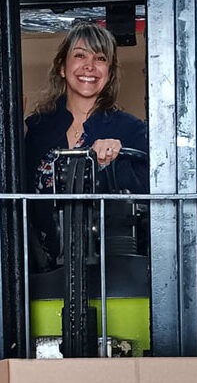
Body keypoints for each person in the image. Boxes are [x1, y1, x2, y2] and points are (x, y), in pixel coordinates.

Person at [24, 21, 148, 270]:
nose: (89, 66)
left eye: (100, 58)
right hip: (44, 270)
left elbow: (150, 201)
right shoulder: (37, 129)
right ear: (62, 67)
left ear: (109, 73)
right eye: (80, 55)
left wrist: (116, 161)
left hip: (113, 269)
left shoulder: (131, 130)